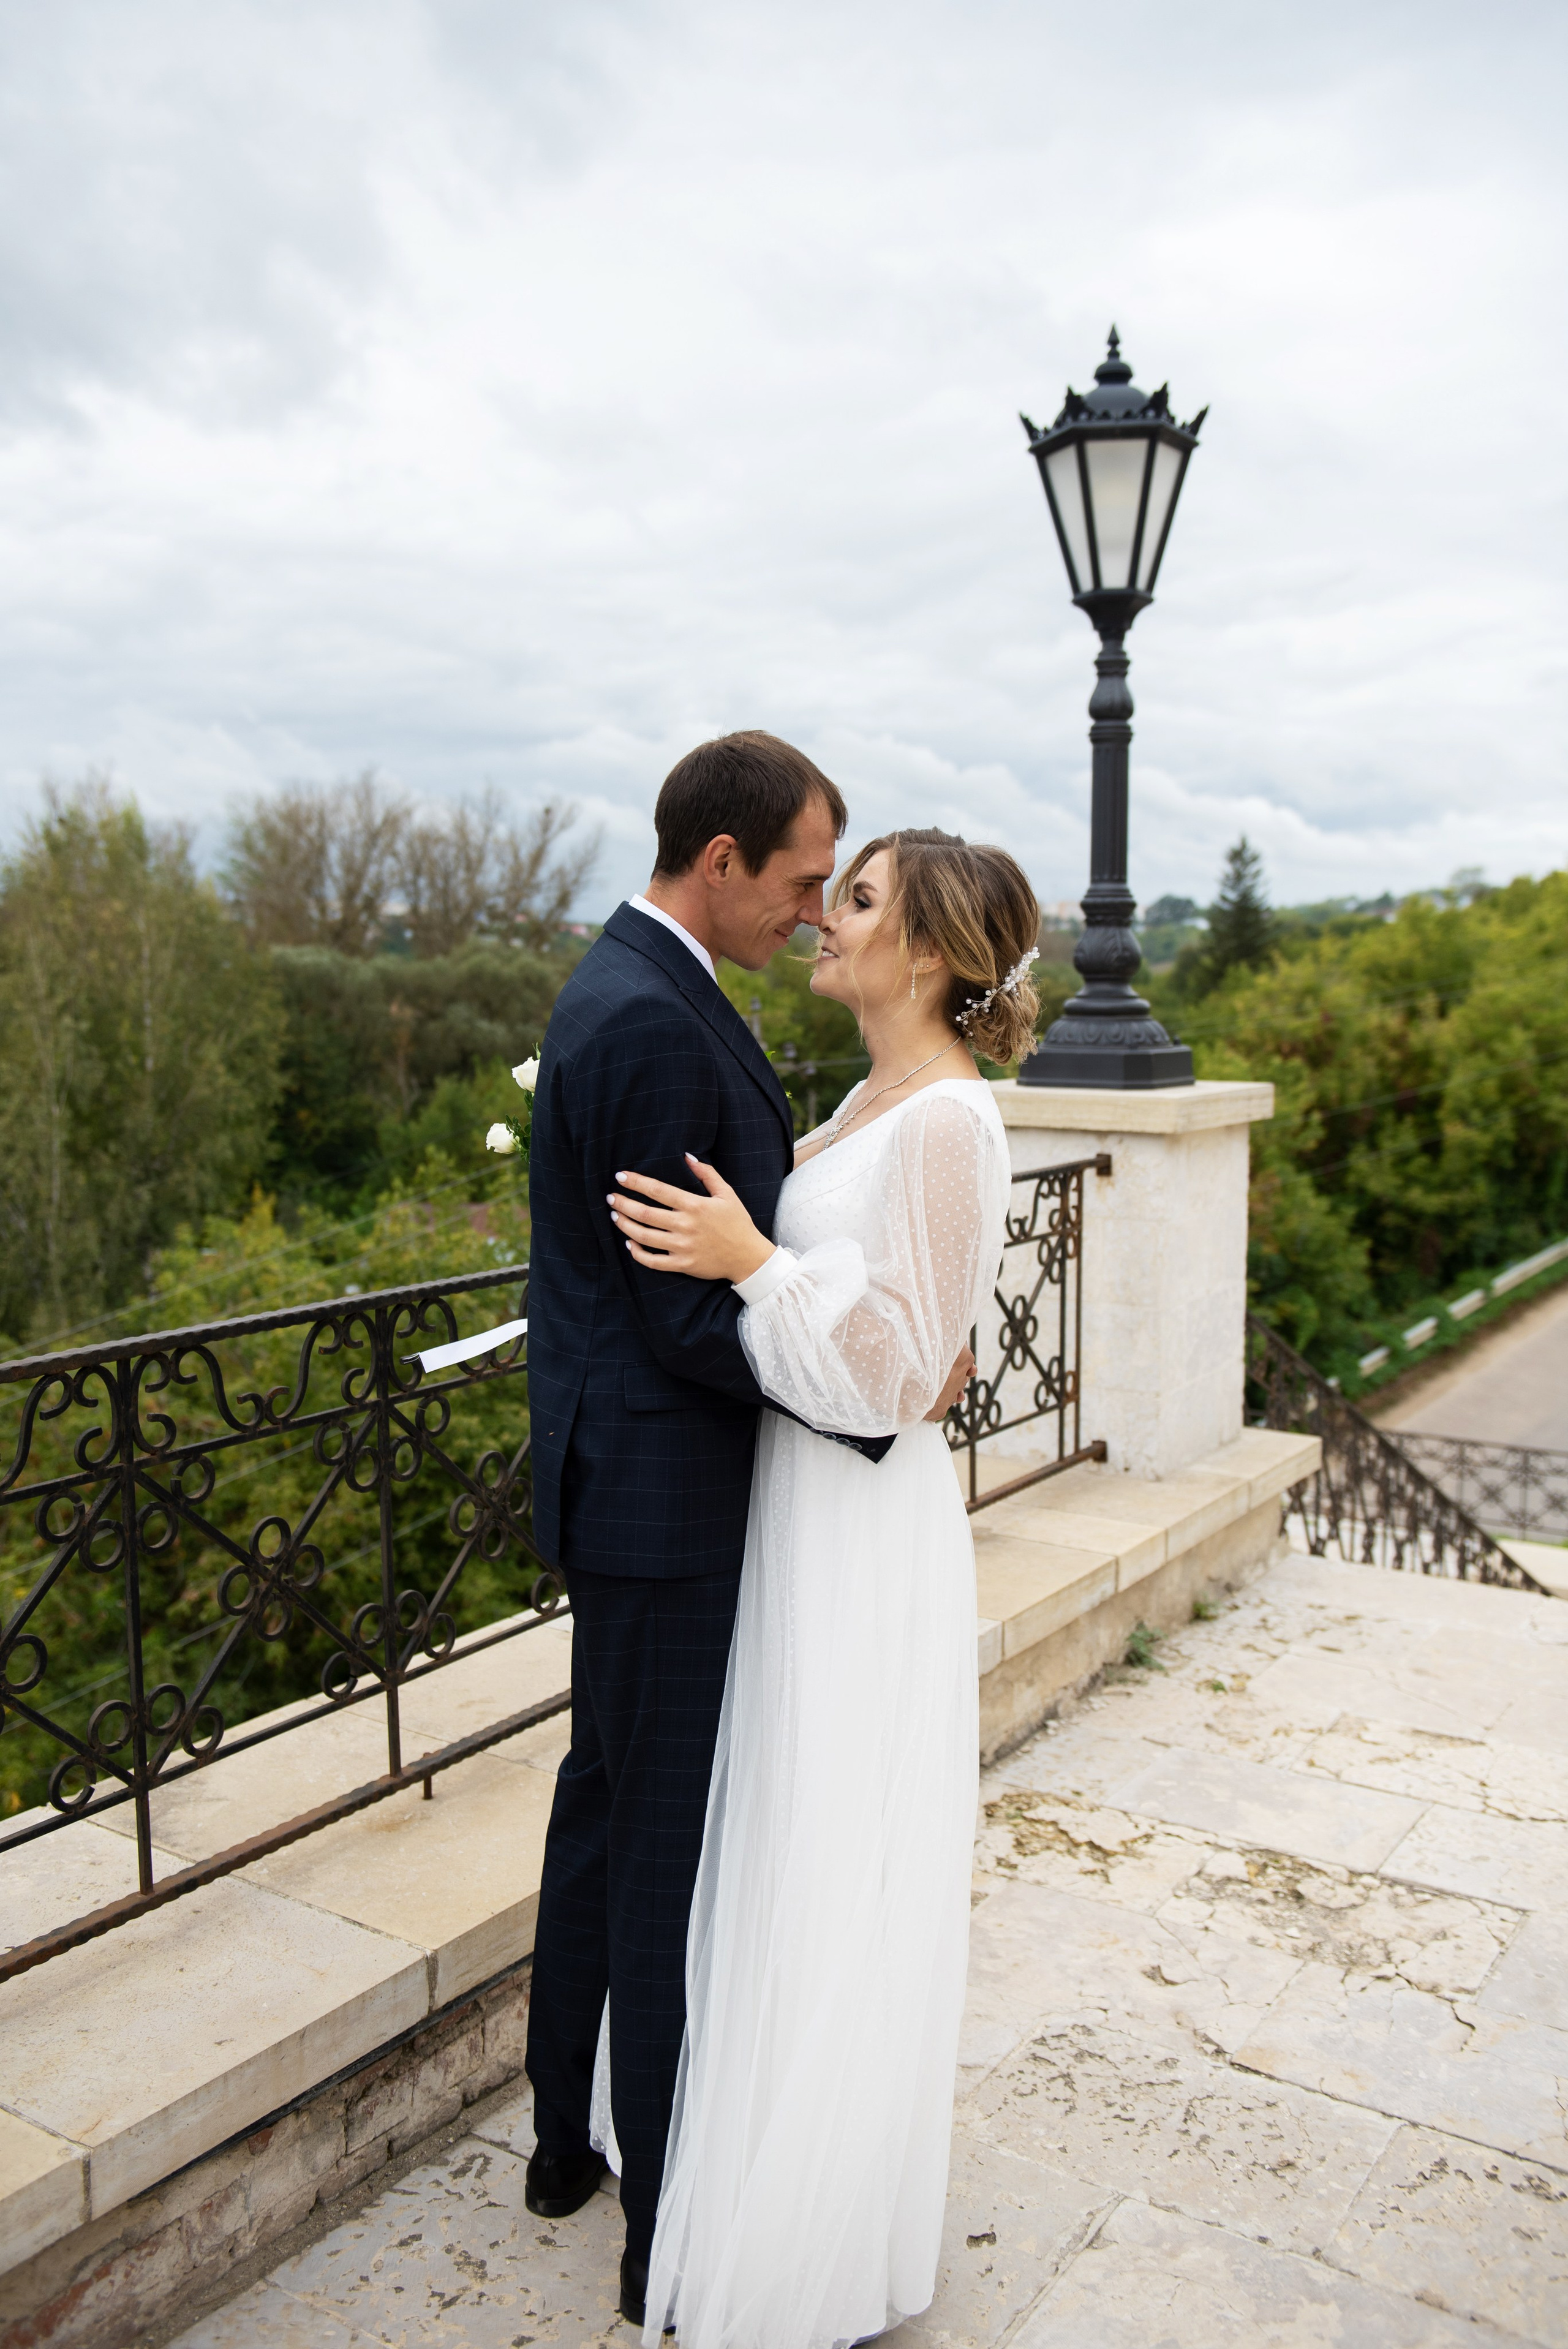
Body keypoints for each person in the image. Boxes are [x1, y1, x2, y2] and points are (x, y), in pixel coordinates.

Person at [607, 828, 1039, 2349]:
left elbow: (897, 1379)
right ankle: (749, 2164)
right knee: (783, 1826)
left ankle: (811, 2235)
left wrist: (747, 1262)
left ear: (927, 953)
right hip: (793, 1509)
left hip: (857, 1529)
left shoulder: (947, 1126)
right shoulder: (871, 1099)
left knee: (836, 1837)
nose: (820, 917)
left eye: (853, 900)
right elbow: (920, 1340)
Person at [523, 733, 921, 2328]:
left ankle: (567, 2135)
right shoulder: (656, 1022)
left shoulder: (632, 984)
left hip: (624, 1483)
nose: (813, 912)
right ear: (724, 862)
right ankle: (663, 2226)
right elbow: (688, 1321)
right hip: (666, 1500)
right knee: (660, 1853)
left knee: (605, 1812)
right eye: (805, 879)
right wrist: (866, 1408)